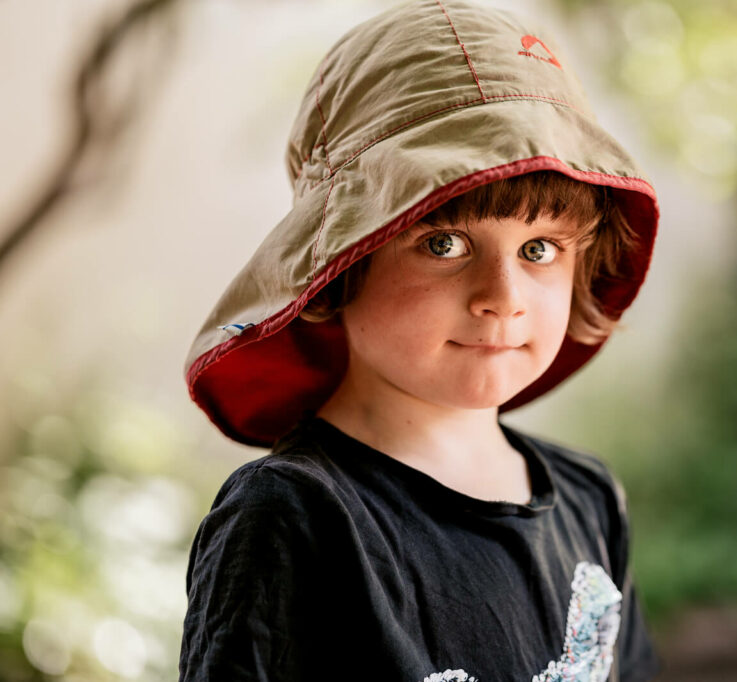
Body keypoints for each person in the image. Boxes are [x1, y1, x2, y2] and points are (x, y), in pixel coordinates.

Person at [178, 1, 660, 680]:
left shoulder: (591, 498)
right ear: (341, 263)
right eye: (444, 242)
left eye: (540, 248)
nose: (502, 295)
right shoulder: (294, 517)